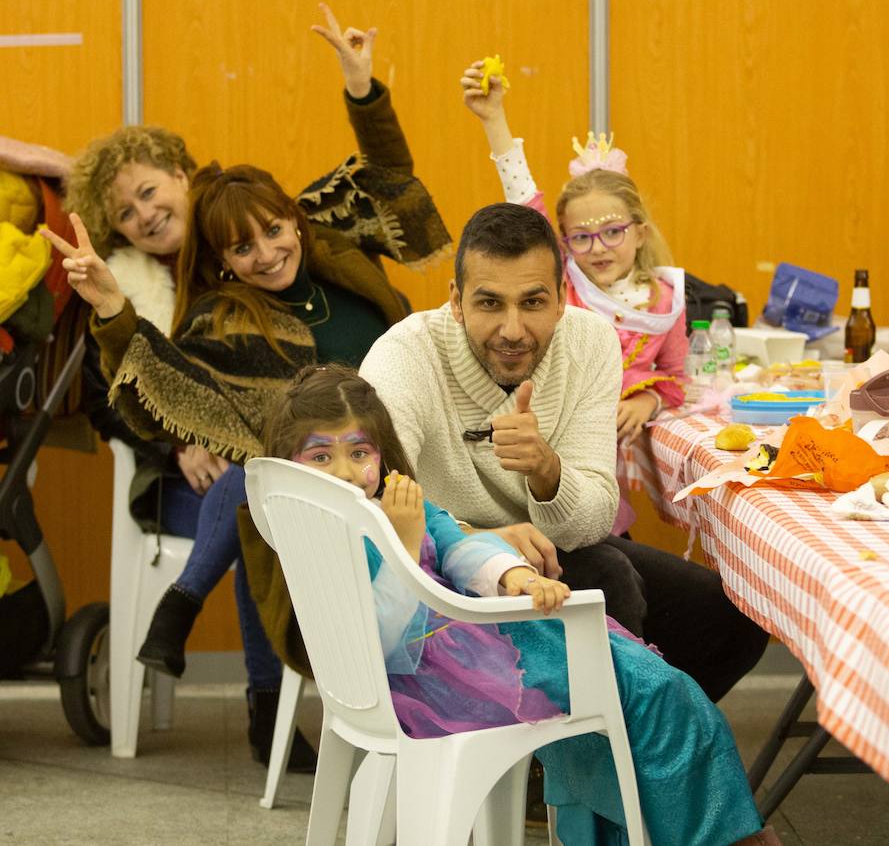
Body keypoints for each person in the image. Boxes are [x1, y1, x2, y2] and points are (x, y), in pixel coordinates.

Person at [42, 49, 450, 765]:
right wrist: (113, 313)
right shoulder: (222, 319)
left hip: (403, 455)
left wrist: (363, 90)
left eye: (273, 233)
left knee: (252, 478)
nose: (265, 253)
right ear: (224, 260)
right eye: (243, 247)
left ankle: (195, 616)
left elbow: (388, 180)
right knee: (257, 479)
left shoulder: (329, 245)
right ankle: (263, 698)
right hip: (297, 488)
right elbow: (161, 388)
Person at [262, 364, 780, 846]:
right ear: (291, 463)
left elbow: (462, 546)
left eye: (359, 452)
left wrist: (516, 577)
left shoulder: (381, 504)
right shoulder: (361, 526)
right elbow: (386, 643)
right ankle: (727, 838)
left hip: (472, 651)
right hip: (440, 682)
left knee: (640, 693)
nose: (347, 473)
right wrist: (403, 539)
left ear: (382, 452)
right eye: (320, 456)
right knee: (655, 694)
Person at [358, 203, 769, 703]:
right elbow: (366, 504)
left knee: (730, 617)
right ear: (456, 301)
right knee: (607, 580)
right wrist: (477, 536)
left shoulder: (589, 341)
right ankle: (589, 760)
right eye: (490, 304)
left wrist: (546, 469)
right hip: (437, 567)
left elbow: (591, 523)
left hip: (551, 549)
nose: (512, 330)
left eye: (532, 303)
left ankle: (627, 744)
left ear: (560, 299)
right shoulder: (405, 355)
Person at [461, 59, 685, 534]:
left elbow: (676, 374)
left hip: (604, 463)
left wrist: (649, 402)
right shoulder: (566, 285)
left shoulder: (665, 301)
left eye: (613, 232)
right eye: (580, 236)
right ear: (562, 241)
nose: (598, 247)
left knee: (598, 535)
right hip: (548, 432)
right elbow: (523, 198)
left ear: (640, 232)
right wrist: (494, 119)